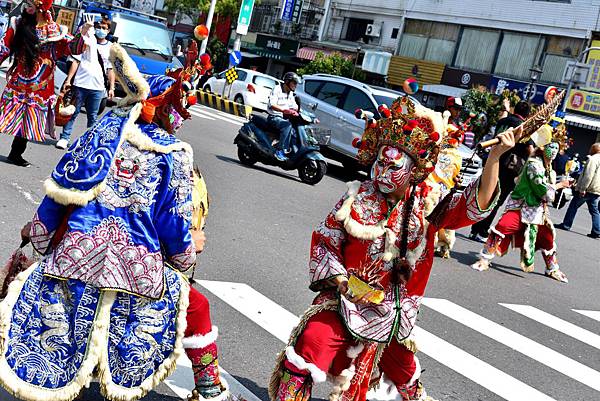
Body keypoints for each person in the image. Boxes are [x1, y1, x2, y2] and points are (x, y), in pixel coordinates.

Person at [0, 43, 229, 401]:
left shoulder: (95, 138)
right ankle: (210, 389)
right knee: (196, 306)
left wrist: (39, 238)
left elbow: (57, 196)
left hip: (73, 261)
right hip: (139, 273)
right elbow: (173, 224)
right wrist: (187, 257)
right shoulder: (173, 154)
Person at [269, 95, 515, 401]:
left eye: (393, 166)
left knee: (402, 368)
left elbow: (472, 207)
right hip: (347, 302)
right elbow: (325, 242)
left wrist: (495, 159)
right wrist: (341, 282)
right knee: (313, 339)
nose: (383, 172)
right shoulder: (357, 198)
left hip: (393, 313)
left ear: (413, 170)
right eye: (380, 163)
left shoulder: (428, 204)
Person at [471, 121, 571, 283]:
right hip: (522, 206)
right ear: (542, 147)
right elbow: (543, 190)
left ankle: (552, 268)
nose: (554, 151)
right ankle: (484, 259)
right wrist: (559, 185)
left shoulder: (548, 168)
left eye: (556, 147)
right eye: (551, 146)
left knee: (547, 238)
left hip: (537, 211)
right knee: (503, 226)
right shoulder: (534, 165)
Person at [0, 0, 89, 167]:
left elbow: (73, 49)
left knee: (28, 121)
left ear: (41, 7)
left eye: (30, 4)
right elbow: (4, 47)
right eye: (25, 3)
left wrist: (82, 33)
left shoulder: (55, 30)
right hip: (19, 82)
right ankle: (15, 153)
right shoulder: (18, 24)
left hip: (41, 87)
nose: (26, 8)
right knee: (8, 116)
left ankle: (15, 153)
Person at [469, 101, 534, 242]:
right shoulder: (524, 127)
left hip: (493, 161)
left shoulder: (503, 121)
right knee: (496, 200)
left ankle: (474, 229)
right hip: (509, 169)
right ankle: (482, 231)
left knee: (484, 196)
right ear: (528, 114)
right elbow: (530, 149)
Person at [57, 15, 115, 149]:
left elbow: (110, 70)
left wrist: (111, 88)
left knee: (92, 116)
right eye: (98, 27)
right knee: (72, 112)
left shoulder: (111, 47)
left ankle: (89, 142)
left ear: (108, 31)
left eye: (104, 28)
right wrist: (69, 80)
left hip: (98, 87)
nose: (100, 30)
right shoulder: (87, 41)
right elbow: (76, 59)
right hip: (80, 84)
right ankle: (64, 138)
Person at [555, 143, 600, 239]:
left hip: (588, 189)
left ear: (594, 149)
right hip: (596, 189)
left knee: (573, 206)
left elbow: (588, 176)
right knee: (594, 211)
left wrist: (583, 189)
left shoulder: (593, 159)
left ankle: (566, 224)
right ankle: (597, 230)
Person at [267, 71, 301, 162]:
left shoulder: (290, 94)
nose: (295, 85)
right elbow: (272, 104)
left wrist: (310, 116)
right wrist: (283, 110)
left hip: (284, 118)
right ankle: (280, 150)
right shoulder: (277, 89)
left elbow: (295, 107)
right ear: (287, 81)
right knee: (287, 126)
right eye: (294, 83)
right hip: (274, 117)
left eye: (296, 83)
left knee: (296, 128)